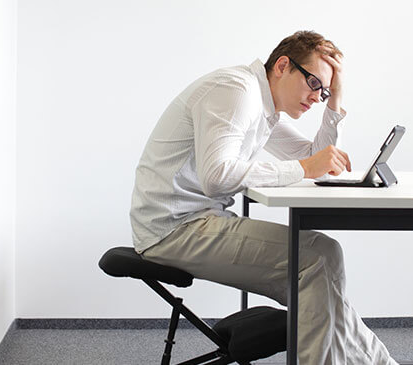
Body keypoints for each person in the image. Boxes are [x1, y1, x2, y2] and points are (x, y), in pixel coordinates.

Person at [129, 30, 399, 365]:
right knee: (319, 256)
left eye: (324, 90)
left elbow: (318, 159)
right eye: (314, 83)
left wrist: (335, 100)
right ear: (283, 65)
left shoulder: (262, 106)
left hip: (195, 222)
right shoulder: (237, 92)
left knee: (323, 280)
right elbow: (217, 177)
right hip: (173, 230)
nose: (317, 97)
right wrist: (304, 167)